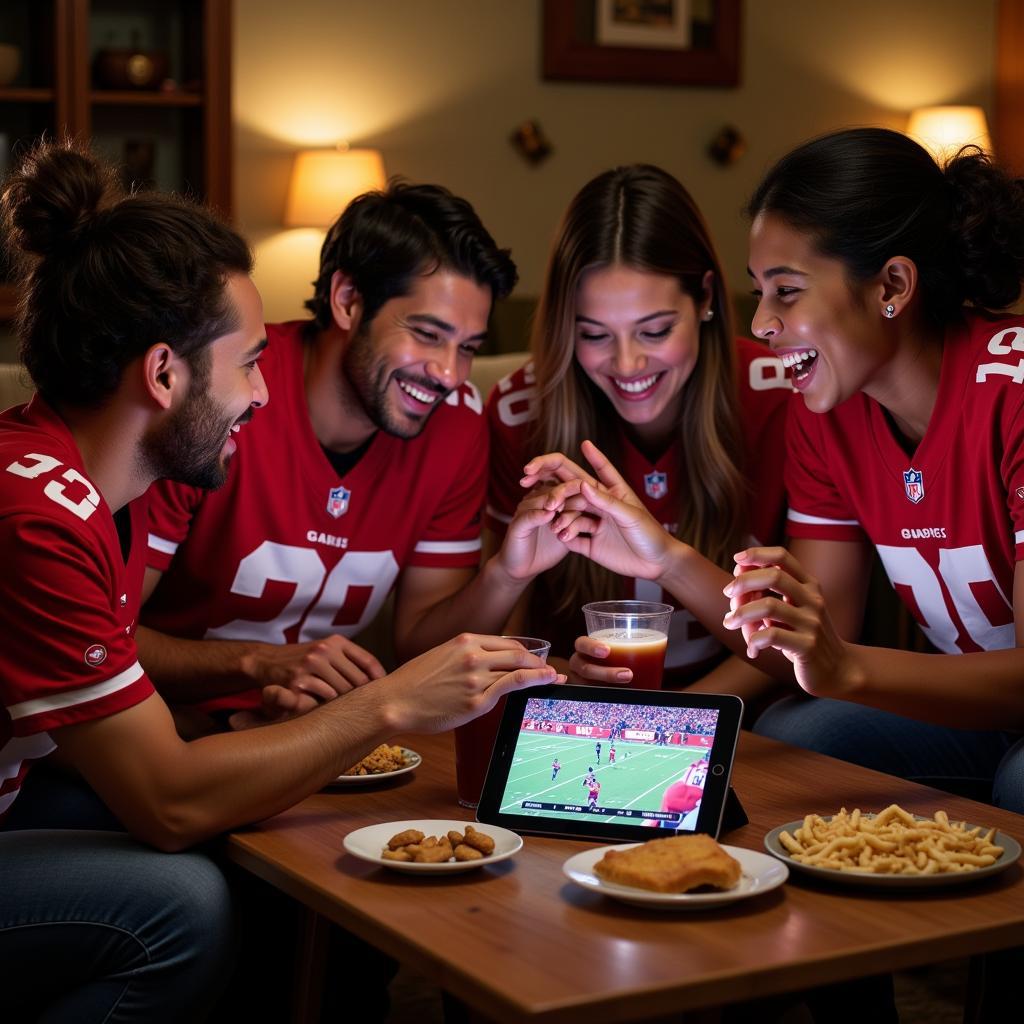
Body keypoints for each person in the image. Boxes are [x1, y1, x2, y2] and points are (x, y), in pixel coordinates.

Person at [0, 140, 560, 1023]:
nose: (261, 395)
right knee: (182, 907)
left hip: (57, 781)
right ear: (162, 372)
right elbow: (168, 801)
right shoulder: (43, 516)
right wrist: (387, 702)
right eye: (250, 361)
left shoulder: (67, 484)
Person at [532, 128, 1024, 814]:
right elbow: (815, 642)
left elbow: (852, 661)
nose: (761, 322)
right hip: (984, 722)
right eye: (758, 291)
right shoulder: (827, 412)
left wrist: (845, 667)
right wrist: (666, 557)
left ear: (892, 284)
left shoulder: (1012, 392)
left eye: (787, 291)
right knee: (801, 729)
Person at [138, 180, 563, 729]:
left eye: (469, 348)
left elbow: (421, 650)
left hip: (319, 737)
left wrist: (506, 571)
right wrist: (258, 664)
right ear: (346, 300)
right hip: (159, 731)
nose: (450, 374)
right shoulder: (227, 389)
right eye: (428, 334)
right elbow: (100, 639)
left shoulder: (457, 423)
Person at [485, 165, 791, 710]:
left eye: (654, 330)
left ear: (704, 298)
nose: (627, 363)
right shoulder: (518, 411)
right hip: (578, 718)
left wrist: (679, 720)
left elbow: (812, 639)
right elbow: (504, 636)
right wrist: (560, 674)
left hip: (748, 716)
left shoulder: (781, 395)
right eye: (594, 334)